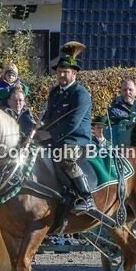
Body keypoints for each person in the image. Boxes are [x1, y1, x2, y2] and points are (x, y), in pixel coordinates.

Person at [38, 41, 95, 213]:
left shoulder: (81, 94)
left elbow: (72, 123)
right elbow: (48, 117)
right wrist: (38, 129)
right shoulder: (55, 92)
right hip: (56, 138)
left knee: (65, 158)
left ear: (74, 74)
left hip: (77, 140)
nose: (62, 75)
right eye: (60, 72)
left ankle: (86, 197)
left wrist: (49, 135)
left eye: (66, 72)